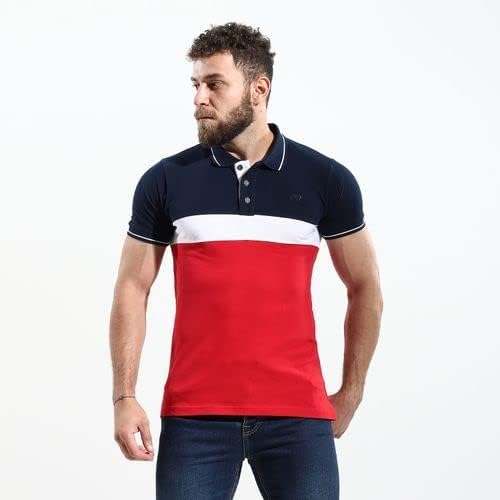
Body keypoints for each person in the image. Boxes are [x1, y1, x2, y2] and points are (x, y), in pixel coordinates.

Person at [109, 21, 383, 500]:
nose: (200, 98)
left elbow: (365, 286)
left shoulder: (325, 179)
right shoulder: (167, 180)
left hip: (298, 417)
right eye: (195, 84)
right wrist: (124, 395)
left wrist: (352, 390)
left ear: (259, 89)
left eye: (214, 84)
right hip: (195, 419)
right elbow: (133, 286)